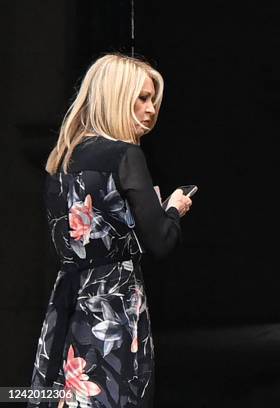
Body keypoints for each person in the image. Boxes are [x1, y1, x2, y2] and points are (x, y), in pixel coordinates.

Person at [28, 54, 192, 407]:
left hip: (68, 297)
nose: (151, 109)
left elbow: (85, 232)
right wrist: (173, 211)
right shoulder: (125, 155)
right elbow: (161, 241)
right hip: (113, 302)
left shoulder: (63, 156)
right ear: (116, 97)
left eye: (153, 100)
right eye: (142, 98)